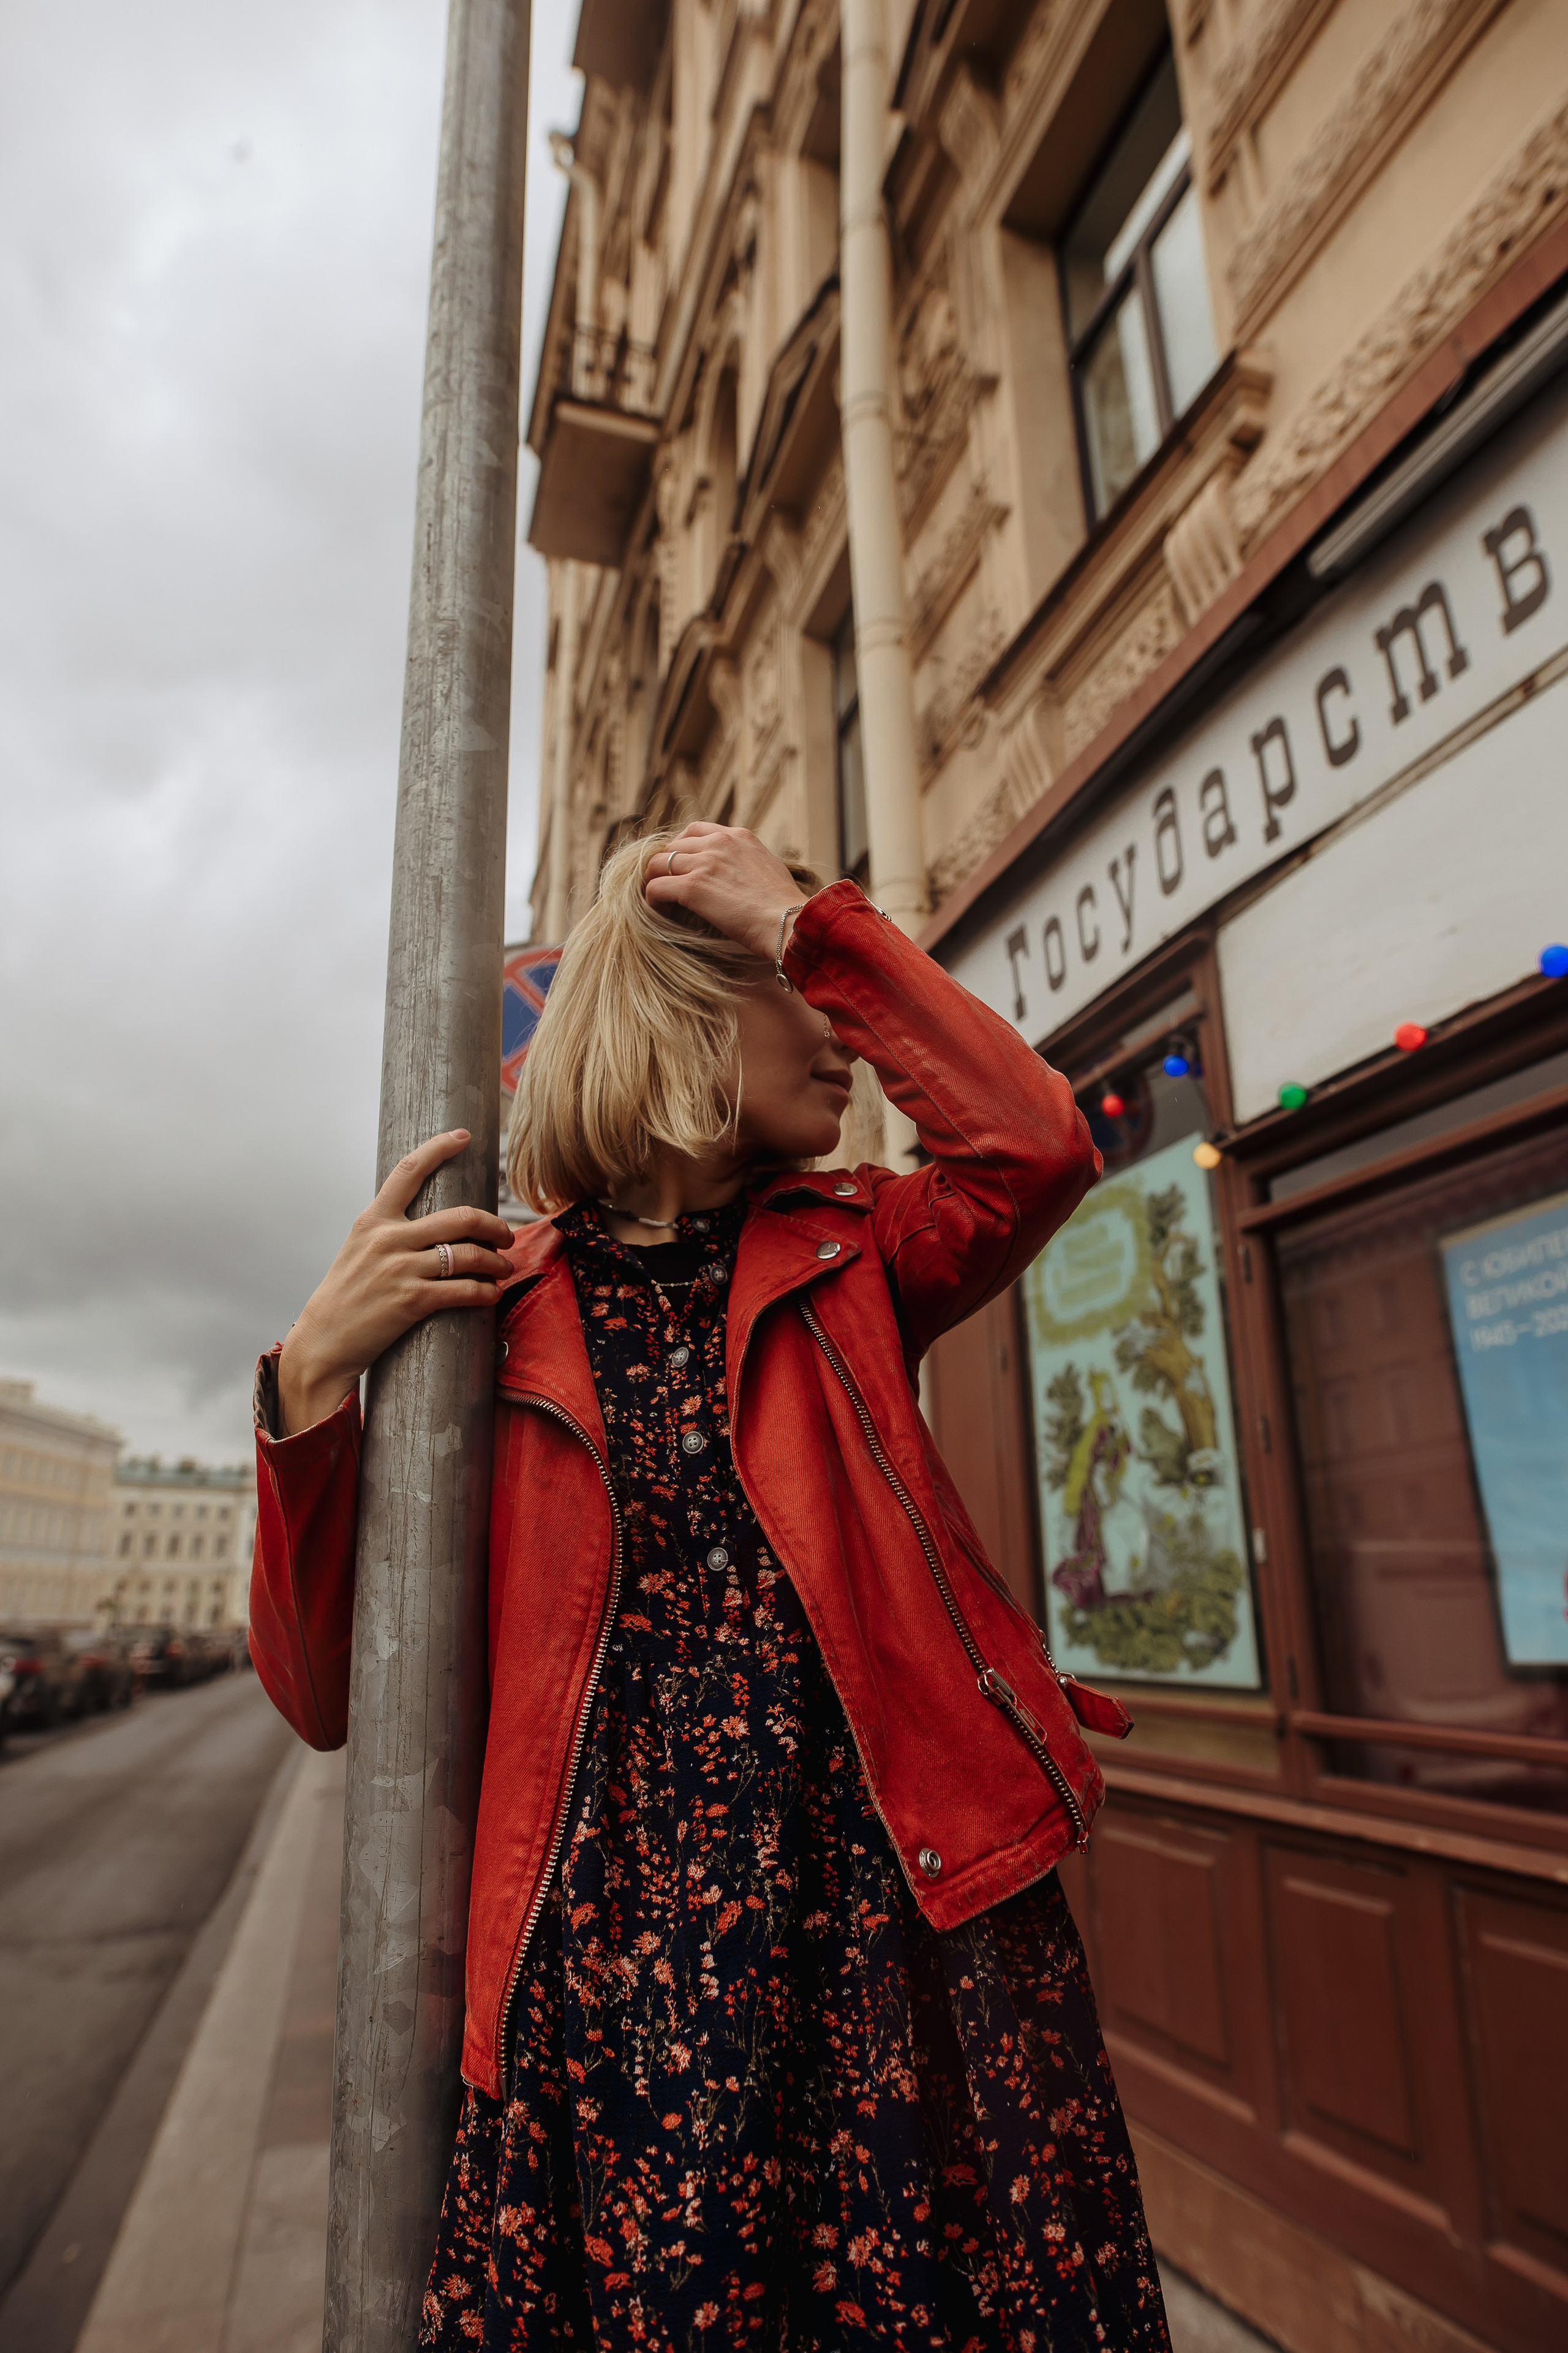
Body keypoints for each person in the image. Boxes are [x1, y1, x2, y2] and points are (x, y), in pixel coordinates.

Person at [250, 824, 1171, 2351]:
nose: (838, 1036)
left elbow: (1034, 1144)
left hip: (890, 1949)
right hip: (608, 1986)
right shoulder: (489, 1316)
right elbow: (321, 1690)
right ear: (678, 1015)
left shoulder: (856, 1249)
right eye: (785, 986)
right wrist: (307, 1391)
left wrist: (811, 922)